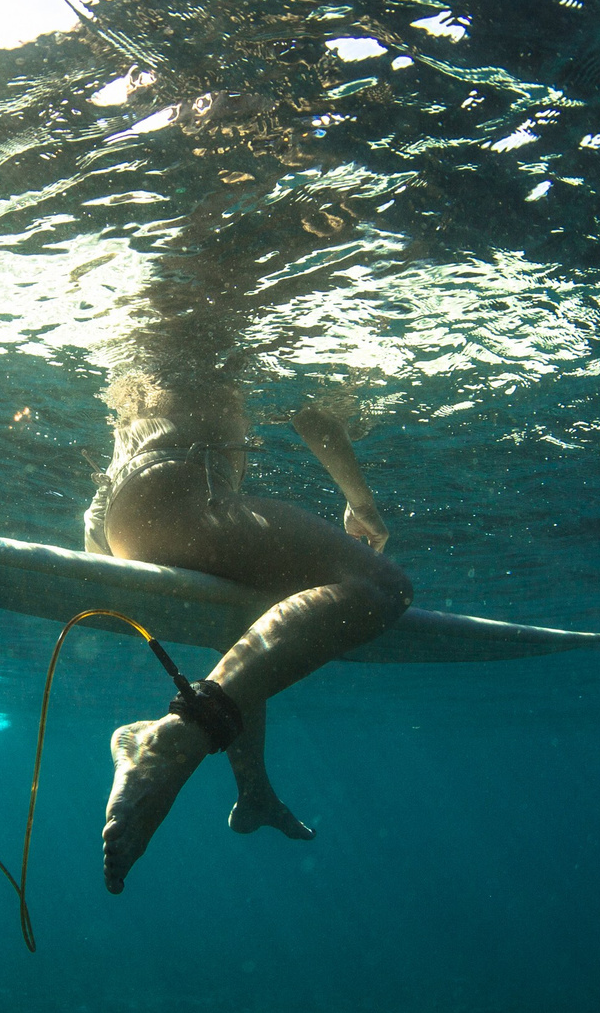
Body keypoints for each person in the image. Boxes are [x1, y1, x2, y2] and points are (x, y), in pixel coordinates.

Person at [83, 372, 411, 892]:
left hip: (120, 516)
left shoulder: (159, 351)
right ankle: (175, 735)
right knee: (383, 587)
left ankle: (253, 788)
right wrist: (363, 506)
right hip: (176, 497)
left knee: (259, 621)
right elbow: (312, 415)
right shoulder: (265, 308)